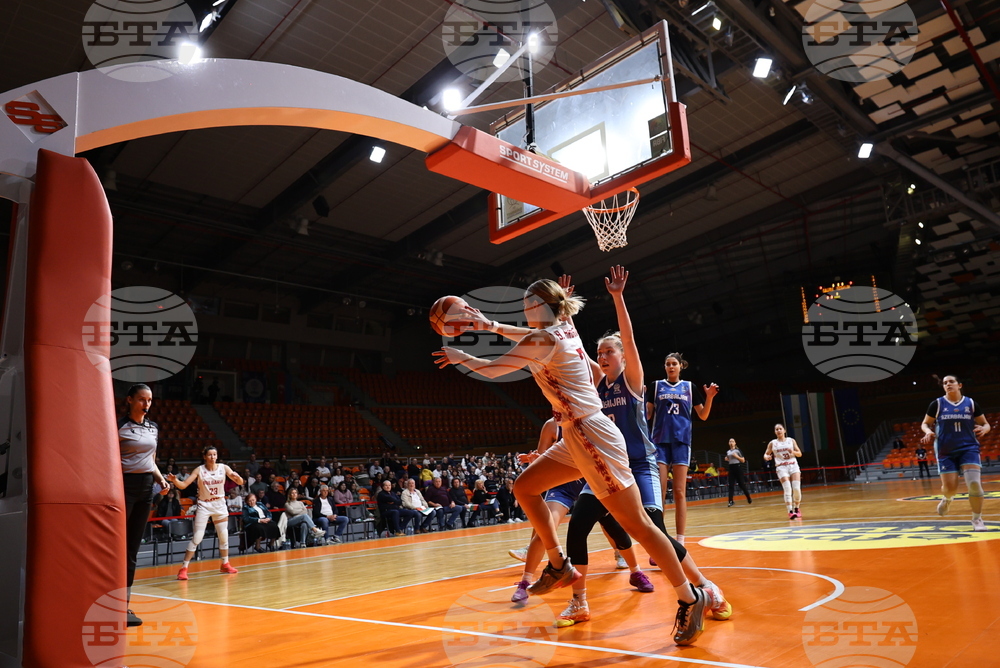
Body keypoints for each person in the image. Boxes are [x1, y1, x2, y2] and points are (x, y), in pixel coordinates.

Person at [434, 276, 710, 645]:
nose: (525, 309)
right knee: (525, 487)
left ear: (543, 309)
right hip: (576, 434)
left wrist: (461, 356)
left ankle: (690, 597)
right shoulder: (561, 327)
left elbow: (495, 368)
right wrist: (488, 325)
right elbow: (520, 334)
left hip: (592, 437)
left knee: (641, 527)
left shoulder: (545, 339)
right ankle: (558, 563)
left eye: (530, 304)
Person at [556, 267, 729, 627]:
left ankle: (706, 587)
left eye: (608, 352)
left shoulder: (633, 381)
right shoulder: (595, 385)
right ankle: (579, 602)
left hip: (639, 465)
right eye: (599, 352)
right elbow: (572, 342)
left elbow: (630, 341)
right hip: (603, 467)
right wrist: (564, 310)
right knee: (578, 524)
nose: (601, 356)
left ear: (621, 357)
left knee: (653, 528)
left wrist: (618, 298)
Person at [646, 352, 718, 545]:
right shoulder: (655, 386)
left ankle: (680, 541)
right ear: (665, 367)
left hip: (681, 442)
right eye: (667, 364)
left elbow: (702, 415)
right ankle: (660, 539)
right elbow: (647, 415)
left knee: (679, 492)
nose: (670, 367)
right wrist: (637, 397)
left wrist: (709, 397)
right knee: (658, 491)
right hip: (659, 442)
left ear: (680, 366)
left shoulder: (689, 387)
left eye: (674, 364)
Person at [119, 383, 170, 627]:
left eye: (149, 400)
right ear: (129, 400)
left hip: (146, 488)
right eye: (141, 399)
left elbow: (149, 459)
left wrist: (160, 479)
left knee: (132, 550)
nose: (146, 404)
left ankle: (123, 606)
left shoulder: (153, 427)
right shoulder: (118, 426)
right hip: (123, 488)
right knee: (116, 547)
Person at [921, 374, 991, 531]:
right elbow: (925, 423)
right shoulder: (937, 404)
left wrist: (984, 429)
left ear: (959, 385)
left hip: (969, 448)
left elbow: (985, 424)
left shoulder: (971, 403)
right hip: (946, 450)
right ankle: (947, 498)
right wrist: (927, 432)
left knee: (974, 484)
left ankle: (977, 518)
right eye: (945, 383)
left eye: (951, 382)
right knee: (950, 487)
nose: (948, 384)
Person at [167, 445, 244, 580]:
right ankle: (183, 568)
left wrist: (238, 478)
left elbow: (240, 481)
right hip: (204, 504)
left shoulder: (223, 468)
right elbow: (184, 485)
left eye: (214, 455)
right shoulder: (199, 470)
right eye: (210, 455)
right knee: (197, 537)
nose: (212, 457)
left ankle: (225, 563)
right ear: (204, 457)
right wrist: (174, 481)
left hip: (219, 504)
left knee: (224, 536)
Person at [764, 424, 803, 519]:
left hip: (793, 465)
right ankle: (790, 511)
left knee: (796, 488)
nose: (778, 431)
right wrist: (767, 457)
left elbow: (799, 454)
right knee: (787, 488)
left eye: (780, 429)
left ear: (784, 430)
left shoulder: (791, 440)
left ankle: (797, 508)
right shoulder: (772, 443)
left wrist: (792, 452)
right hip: (781, 467)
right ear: (775, 432)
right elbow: (766, 454)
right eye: (776, 429)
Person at [725, 438, 752, 507]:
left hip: (738, 468)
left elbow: (743, 460)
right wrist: (727, 459)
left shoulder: (738, 450)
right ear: (728, 443)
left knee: (741, 484)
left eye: (732, 441)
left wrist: (736, 456)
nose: (731, 442)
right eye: (730, 441)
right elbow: (729, 459)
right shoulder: (728, 452)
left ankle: (748, 497)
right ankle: (730, 501)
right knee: (731, 485)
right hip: (731, 468)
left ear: (735, 443)